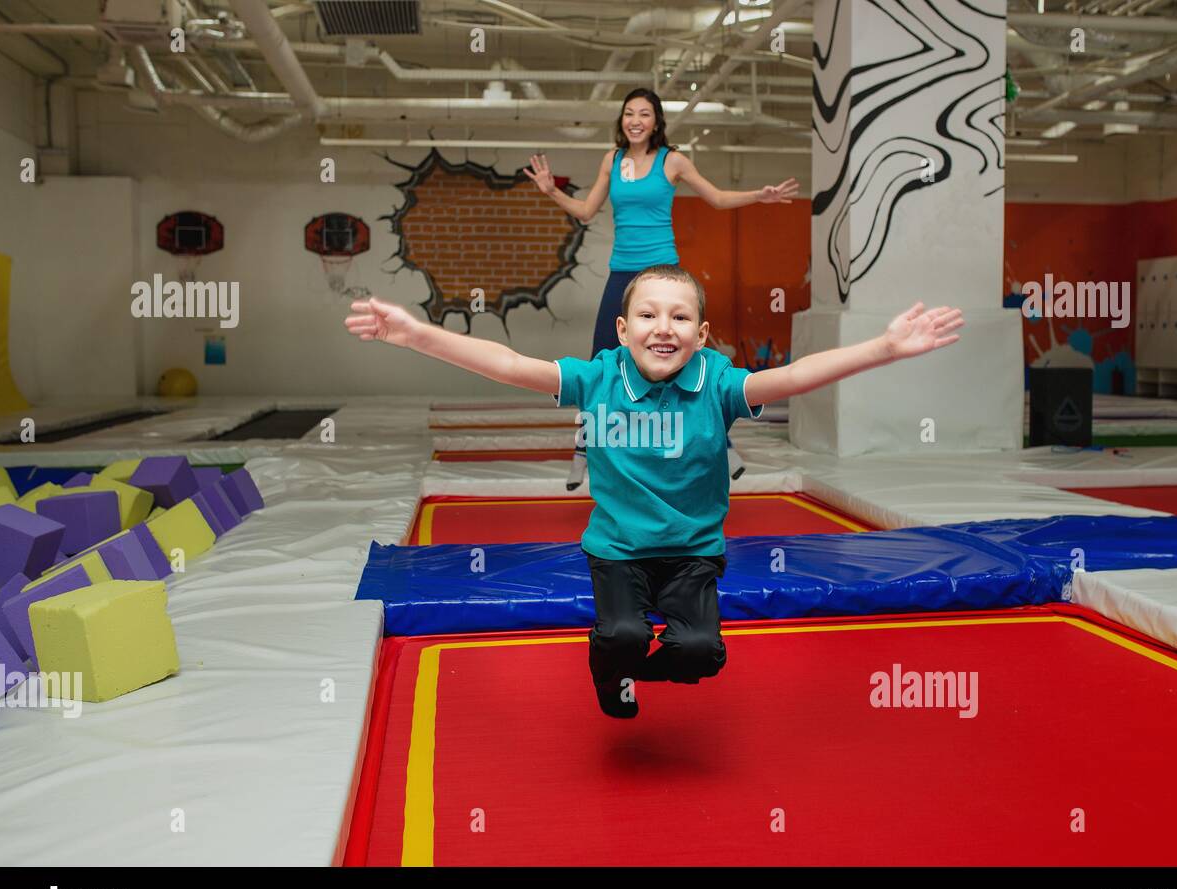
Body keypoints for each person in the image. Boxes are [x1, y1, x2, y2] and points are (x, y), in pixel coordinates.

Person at [344, 264, 963, 718]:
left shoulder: (717, 382)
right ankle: (608, 669)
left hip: (691, 551)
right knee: (622, 636)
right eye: (647, 315)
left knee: (700, 652)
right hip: (616, 548)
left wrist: (885, 347)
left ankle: (624, 669)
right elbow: (510, 365)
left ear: (701, 332)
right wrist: (418, 334)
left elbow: (795, 376)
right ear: (621, 328)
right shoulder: (598, 378)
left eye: (680, 316)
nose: (663, 328)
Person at [522, 88, 799, 490]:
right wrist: (551, 190)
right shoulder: (612, 161)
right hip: (622, 273)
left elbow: (717, 198)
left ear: (656, 122)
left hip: (663, 272)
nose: (635, 120)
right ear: (622, 121)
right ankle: (584, 448)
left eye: (644, 114)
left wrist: (761, 195)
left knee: (684, 357)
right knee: (602, 359)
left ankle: (722, 441)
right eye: (629, 113)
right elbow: (585, 211)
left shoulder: (673, 161)